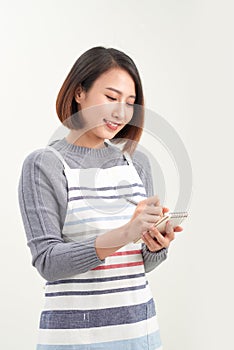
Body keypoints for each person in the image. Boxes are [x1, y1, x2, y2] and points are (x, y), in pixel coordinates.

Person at [18, 46, 183, 350]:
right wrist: (125, 233)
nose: (121, 112)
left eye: (130, 103)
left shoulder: (136, 164)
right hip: (74, 340)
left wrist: (155, 245)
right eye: (111, 97)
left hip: (140, 334)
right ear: (79, 92)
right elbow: (48, 262)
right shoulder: (45, 164)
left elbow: (136, 265)